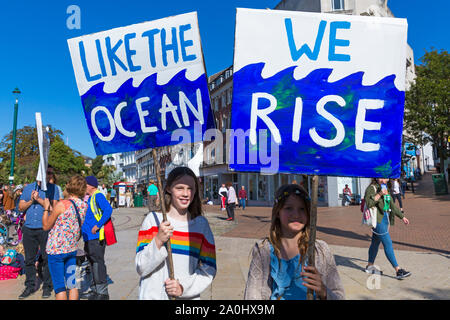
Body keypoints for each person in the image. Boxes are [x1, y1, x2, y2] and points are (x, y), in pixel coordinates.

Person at [244, 184, 345, 300]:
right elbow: (252, 295)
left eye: (302, 209)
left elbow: (339, 295)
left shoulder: (320, 250)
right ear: (278, 212)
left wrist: (323, 291)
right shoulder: (263, 251)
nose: (296, 215)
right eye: (289, 208)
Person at [135, 166, 216, 300]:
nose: (185, 193)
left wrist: (183, 288)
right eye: (179, 188)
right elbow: (141, 267)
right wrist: (158, 241)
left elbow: (209, 269)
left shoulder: (201, 226)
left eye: (190, 188)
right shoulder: (153, 220)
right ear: (168, 189)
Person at [42, 175, 88, 300]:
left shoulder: (62, 205)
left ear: (68, 187)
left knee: (60, 287)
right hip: (71, 249)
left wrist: (46, 209)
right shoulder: (84, 205)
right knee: (72, 284)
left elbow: (46, 226)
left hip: (56, 250)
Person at [18, 170, 60, 299]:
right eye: (47, 172)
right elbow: (20, 207)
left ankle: (47, 286)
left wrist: (40, 200)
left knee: (47, 259)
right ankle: (30, 286)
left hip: (45, 228)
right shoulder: (28, 188)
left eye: (51, 173)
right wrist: (31, 200)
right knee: (29, 260)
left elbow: (55, 209)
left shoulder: (53, 188)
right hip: (29, 228)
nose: (49, 175)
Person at [364, 178, 411, 279]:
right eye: (381, 177)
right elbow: (369, 203)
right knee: (388, 243)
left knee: (375, 243)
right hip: (378, 220)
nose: (383, 180)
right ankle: (398, 270)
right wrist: (380, 193)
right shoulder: (372, 188)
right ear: (376, 178)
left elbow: (392, 206)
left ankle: (369, 266)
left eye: (385, 177)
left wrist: (402, 217)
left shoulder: (386, 188)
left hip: (385, 219)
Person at [82, 176, 113, 300]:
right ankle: (95, 290)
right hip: (88, 237)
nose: (84, 187)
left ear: (91, 185)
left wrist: (98, 225)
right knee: (91, 262)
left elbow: (108, 210)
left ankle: (102, 292)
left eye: (85, 184)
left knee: (97, 263)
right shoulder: (90, 197)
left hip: (96, 236)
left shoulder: (98, 195)